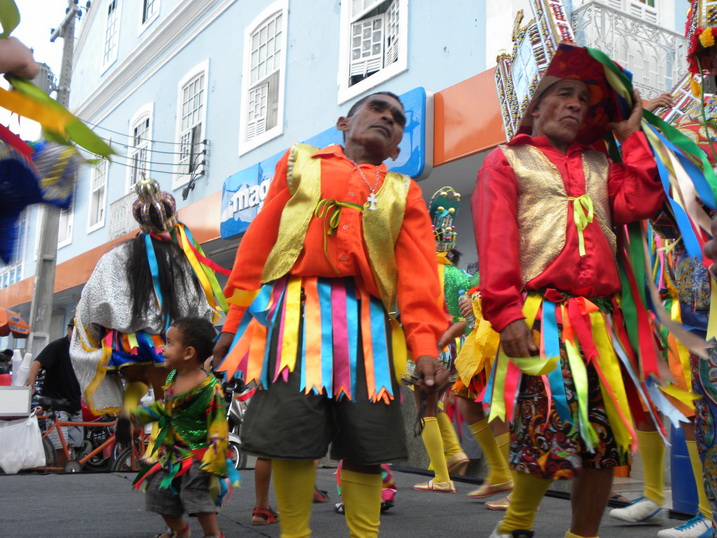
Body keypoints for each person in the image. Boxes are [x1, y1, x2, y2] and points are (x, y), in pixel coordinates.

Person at [213, 91, 449, 537]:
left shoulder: (404, 191)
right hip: (292, 322)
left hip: (370, 330)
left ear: (398, 146)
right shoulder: (299, 162)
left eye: (398, 119)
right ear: (344, 122)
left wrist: (424, 348)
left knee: (366, 441)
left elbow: (420, 279)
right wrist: (233, 321)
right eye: (377, 108)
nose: (387, 118)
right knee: (290, 437)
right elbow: (258, 246)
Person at [476, 45, 665, 538]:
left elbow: (640, 200)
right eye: (564, 94)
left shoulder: (603, 164)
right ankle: (515, 525)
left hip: (604, 326)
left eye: (583, 98)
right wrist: (507, 314)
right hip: (543, 318)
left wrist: (633, 138)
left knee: (605, 441)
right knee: (545, 431)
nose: (576, 103)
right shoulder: (506, 160)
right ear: (535, 106)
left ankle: (583, 535)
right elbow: (496, 241)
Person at [608, 94, 713, 538]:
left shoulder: (692, 145)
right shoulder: (682, 140)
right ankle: (688, 505)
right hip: (682, 292)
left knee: (696, 401)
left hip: (696, 289)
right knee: (684, 402)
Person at [70, 177, 220, 438]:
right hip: (163, 343)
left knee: (137, 381)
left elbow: (94, 297)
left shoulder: (116, 255)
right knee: (168, 398)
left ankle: (129, 411)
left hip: (124, 343)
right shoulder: (181, 258)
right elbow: (193, 302)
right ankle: (160, 450)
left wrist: (94, 333)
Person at [132, 317, 232, 538]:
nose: (162, 348)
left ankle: (212, 534)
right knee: (158, 493)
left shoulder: (210, 389)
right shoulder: (172, 377)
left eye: (168, 343)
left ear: (188, 353)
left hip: (198, 457)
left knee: (195, 496)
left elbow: (218, 429)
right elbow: (167, 409)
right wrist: (138, 417)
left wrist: (213, 464)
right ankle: (181, 530)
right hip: (170, 455)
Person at [25, 320, 83, 466]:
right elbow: (37, 363)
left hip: (75, 404)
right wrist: (31, 383)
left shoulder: (82, 350)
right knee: (60, 449)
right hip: (56, 404)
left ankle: (69, 474)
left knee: (76, 446)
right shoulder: (57, 346)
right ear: (68, 330)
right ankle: (57, 475)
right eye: (75, 331)